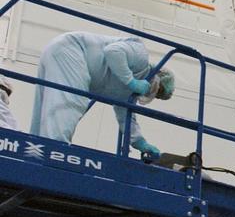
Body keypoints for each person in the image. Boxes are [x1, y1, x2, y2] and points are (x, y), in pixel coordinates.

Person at [30, 32, 175, 157]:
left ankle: (35, 149)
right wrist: (131, 81)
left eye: (158, 95)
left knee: (47, 103)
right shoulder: (140, 55)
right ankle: (56, 152)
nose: (152, 92)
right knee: (72, 101)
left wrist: (140, 143)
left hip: (58, 50)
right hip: (71, 48)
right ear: (158, 74)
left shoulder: (127, 92)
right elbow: (113, 51)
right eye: (158, 90)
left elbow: (126, 118)